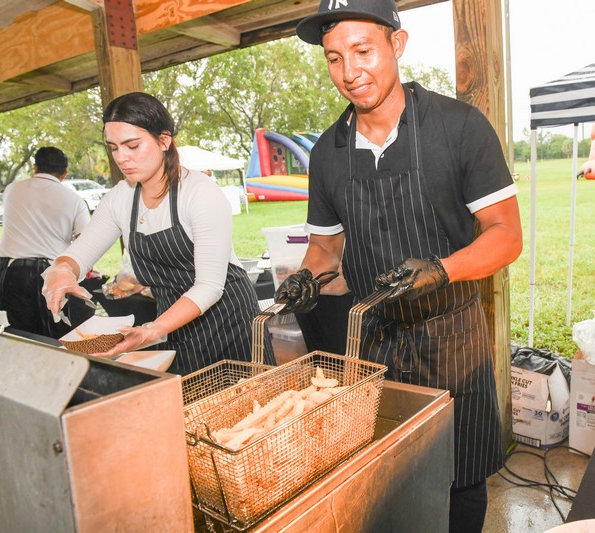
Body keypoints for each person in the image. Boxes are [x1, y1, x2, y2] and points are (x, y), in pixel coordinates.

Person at [280, 1, 523, 530]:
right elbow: (325, 252)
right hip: (373, 344)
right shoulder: (327, 153)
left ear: (398, 44)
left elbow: (506, 236)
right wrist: (306, 278)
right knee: (388, 479)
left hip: (452, 339)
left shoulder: (458, 127)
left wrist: (441, 269)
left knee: (461, 478)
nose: (350, 72)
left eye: (363, 51)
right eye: (334, 58)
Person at [41, 92, 275, 374]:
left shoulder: (199, 193)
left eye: (132, 146)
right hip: (172, 325)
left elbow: (209, 286)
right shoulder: (120, 199)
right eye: (114, 148)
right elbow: (79, 254)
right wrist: (62, 270)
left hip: (229, 322)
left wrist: (152, 330)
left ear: (164, 140)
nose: (121, 158)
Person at [0, 146, 93, 338]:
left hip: (11, 272)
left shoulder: (12, 189)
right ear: (64, 174)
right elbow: (85, 242)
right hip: (50, 275)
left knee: (12, 335)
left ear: (35, 167)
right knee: (53, 337)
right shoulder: (75, 200)